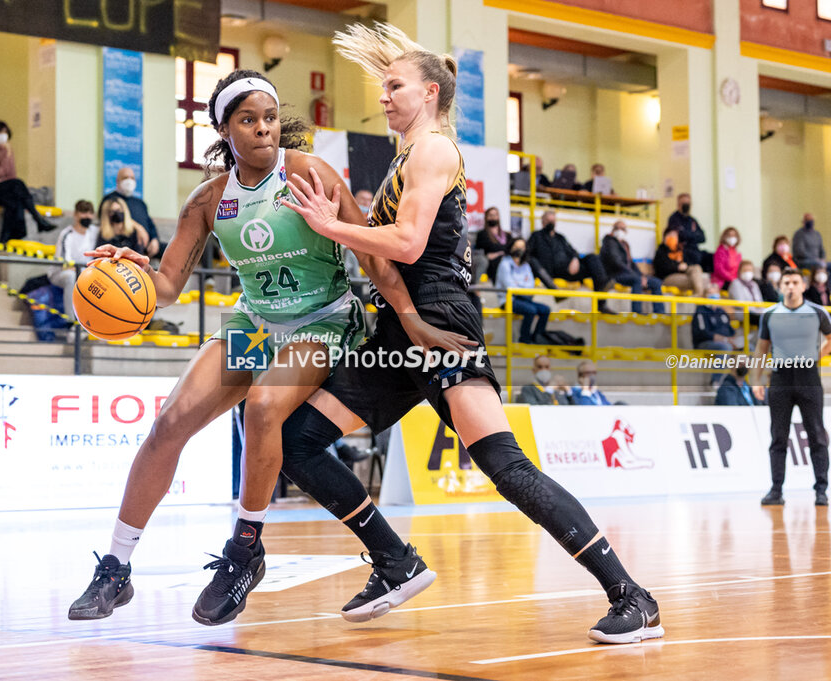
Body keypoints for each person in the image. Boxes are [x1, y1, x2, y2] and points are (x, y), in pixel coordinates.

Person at [277, 22, 661, 643]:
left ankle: (631, 596)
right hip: (403, 326)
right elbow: (383, 259)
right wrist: (340, 220)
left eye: (394, 86)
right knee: (300, 440)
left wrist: (331, 226)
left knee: (506, 467)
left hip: (443, 316)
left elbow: (405, 243)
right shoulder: (407, 155)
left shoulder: (434, 151)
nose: (384, 97)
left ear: (429, 93)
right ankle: (395, 561)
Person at [66, 69, 457, 626]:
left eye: (270, 118)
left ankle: (245, 551)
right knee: (170, 423)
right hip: (255, 323)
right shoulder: (208, 200)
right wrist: (131, 269)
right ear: (225, 130)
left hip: (321, 320)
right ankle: (115, 566)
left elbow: (373, 256)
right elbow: (169, 285)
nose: (263, 130)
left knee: (265, 407)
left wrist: (411, 319)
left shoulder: (310, 174)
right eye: (248, 121)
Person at [753, 268, 831, 506]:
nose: (790, 286)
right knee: (778, 436)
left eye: (795, 282)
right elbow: (761, 349)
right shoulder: (770, 314)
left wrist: (817, 355)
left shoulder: (817, 313)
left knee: (817, 435)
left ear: (803, 286)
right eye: (786, 282)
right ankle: (776, 490)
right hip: (780, 379)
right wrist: (756, 380)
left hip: (809, 378)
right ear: (780, 286)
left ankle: (821, 490)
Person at [0, 120, 54, 242]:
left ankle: (5, 239)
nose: (3, 135)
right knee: (17, 184)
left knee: (14, 200)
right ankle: (37, 219)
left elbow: (10, 176)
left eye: (5, 132)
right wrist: (6, 157)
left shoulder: (7, 150)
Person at [527, 210, 614, 313]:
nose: (551, 223)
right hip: (554, 271)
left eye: (553, 221)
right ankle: (602, 289)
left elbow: (573, 251)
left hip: (570, 269)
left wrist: (575, 259)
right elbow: (528, 254)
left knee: (593, 258)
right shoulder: (536, 236)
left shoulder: (560, 237)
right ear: (543, 222)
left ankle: (601, 300)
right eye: (548, 221)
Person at [600, 221, 663, 314]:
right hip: (616, 275)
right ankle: (637, 313)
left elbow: (631, 263)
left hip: (629, 274)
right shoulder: (609, 243)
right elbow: (617, 263)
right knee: (637, 280)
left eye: (623, 229)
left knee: (656, 282)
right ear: (613, 229)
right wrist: (637, 277)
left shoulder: (625, 244)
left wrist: (642, 276)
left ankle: (660, 313)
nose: (621, 231)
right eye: (618, 228)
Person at [49, 200, 99, 315]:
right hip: (61, 273)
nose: (87, 216)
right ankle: (72, 323)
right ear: (75, 215)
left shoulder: (94, 232)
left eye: (90, 213)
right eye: (83, 212)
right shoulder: (67, 234)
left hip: (84, 272)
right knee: (71, 277)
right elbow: (66, 266)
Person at [101, 167, 164, 258]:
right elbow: (105, 217)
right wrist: (138, 228)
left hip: (147, 244)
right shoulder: (110, 199)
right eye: (125, 178)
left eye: (132, 178)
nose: (129, 181)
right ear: (117, 181)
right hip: (127, 241)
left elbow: (150, 224)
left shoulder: (140, 203)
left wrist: (155, 239)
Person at [497, 238, 549, 344]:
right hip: (508, 300)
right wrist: (522, 287)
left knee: (545, 310)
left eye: (521, 247)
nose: (518, 250)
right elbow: (510, 286)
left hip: (524, 298)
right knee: (531, 310)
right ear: (511, 248)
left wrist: (519, 286)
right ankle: (524, 339)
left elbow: (530, 285)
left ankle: (537, 337)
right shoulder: (505, 264)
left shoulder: (526, 265)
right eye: (516, 247)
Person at [692, 283, 739, 385]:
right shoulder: (701, 311)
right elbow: (703, 333)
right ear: (705, 296)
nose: (714, 296)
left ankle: (740, 380)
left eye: (715, 293)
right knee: (725, 347)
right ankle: (716, 381)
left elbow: (731, 331)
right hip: (706, 343)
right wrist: (725, 340)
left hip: (726, 342)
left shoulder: (721, 312)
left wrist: (734, 340)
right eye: (710, 293)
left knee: (750, 348)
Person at [654, 227, 706, 297]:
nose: (673, 237)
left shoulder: (680, 250)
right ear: (664, 237)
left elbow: (691, 262)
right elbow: (661, 267)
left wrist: (685, 265)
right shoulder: (661, 251)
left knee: (696, 268)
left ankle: (697, 294)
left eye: (675, 235)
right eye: (670, 235)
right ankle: (698, 295)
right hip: (667, 277)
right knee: (697, 281)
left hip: (683, 273)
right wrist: (677, 267)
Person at [666, 192, 708, 270]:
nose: (686, 206)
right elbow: (679, 235)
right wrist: (694, 234)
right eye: (684, 203)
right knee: (694, 257)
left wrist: (688, 234)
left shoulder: (692, 220)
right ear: (678, 204)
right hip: (683, 251)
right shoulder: (674, 219)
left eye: (688, 203)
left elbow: (703, 237)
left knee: (710, 257)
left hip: (694, 250)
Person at [475, 206, 510, 284]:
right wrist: (489, 255)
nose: (493, 217)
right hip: (492, 262)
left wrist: (498, 253)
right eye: (490, 215)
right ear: (486, 218)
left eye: (495, 215)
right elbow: (480, 250)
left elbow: (510, 248)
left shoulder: (507, 235)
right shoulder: (482, 234)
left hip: (506, 259)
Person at [728, 260, 764, 326]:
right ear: (739, 272)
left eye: (750, 270)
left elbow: (760, 302)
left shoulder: (754, 284)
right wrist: (756, 310)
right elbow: (740, 304)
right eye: (745, 270)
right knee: (763, 320)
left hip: (756, 312)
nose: (747, 272)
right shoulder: (735, 283)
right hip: (742, 312)